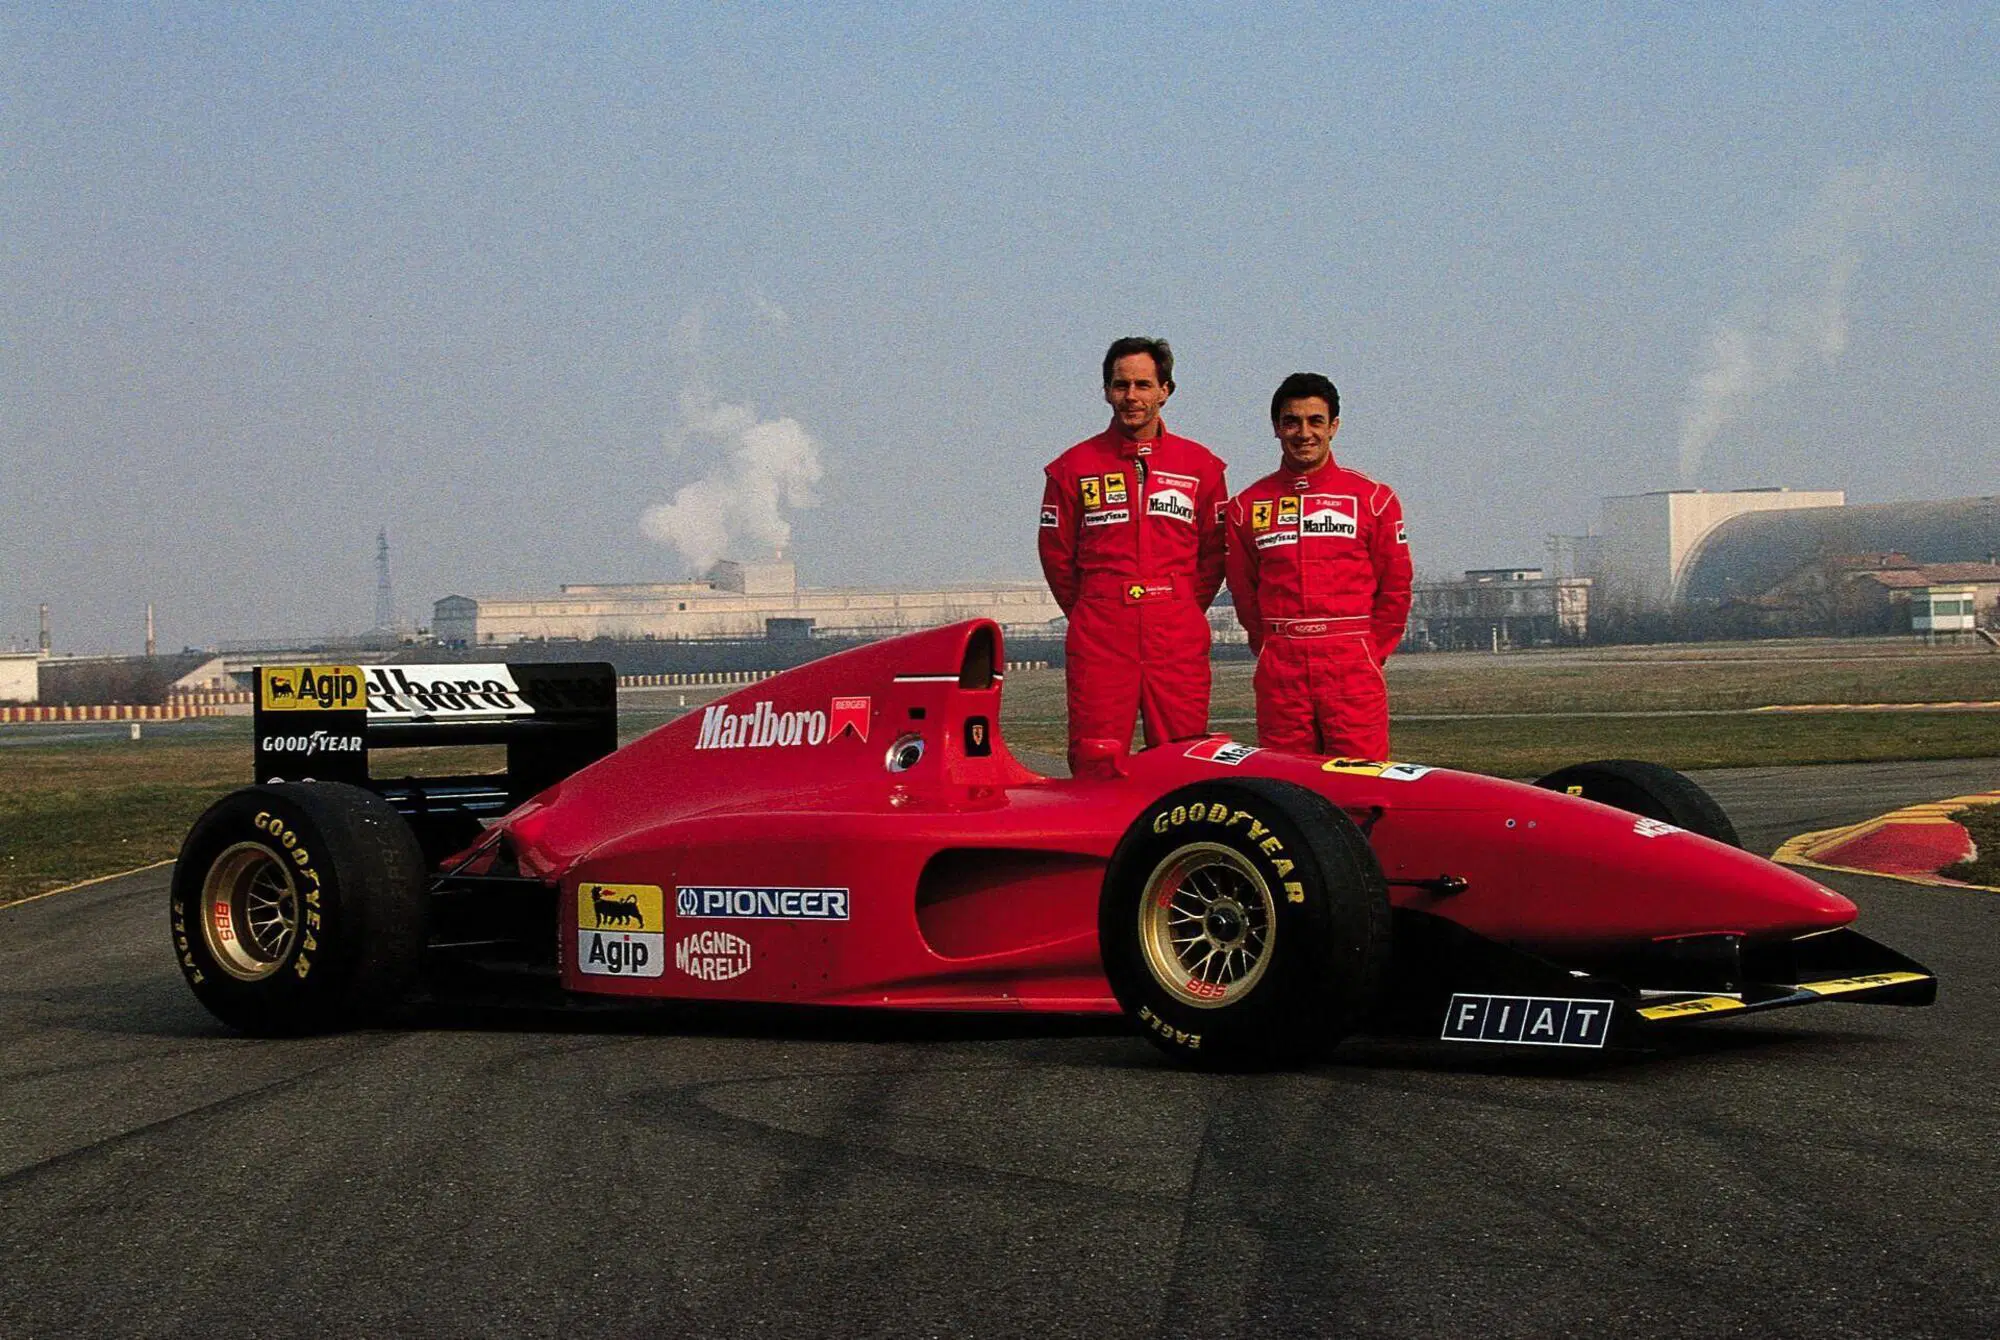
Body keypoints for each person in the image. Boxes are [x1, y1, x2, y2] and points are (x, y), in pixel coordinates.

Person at [1039, 337, 1229, 776]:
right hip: (1101, 632)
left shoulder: (1200, 466)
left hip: (1175, 630)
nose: (1132, 396)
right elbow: (1056, 554)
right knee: (1096, 759)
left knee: (1184, 761)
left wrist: (1181, 604)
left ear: (1165, 390)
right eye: (1121, 385)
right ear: (1106, 391)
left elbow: (1215, 553)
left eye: (1143, 385)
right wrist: (1093, 608)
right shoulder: (1072, 467)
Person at [1225, 372, 1412, 759]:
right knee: (1287, 779)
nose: (1304, 433)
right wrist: (1273, 646)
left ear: (1333, 427)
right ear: (1276, 427)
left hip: (1351, 663)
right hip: (1282, 665)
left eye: (1315, 421)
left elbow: (1395, 589)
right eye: (1292, 422)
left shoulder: (1373, 499)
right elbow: (1244, 592)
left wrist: (1366, 652)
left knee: (1360, 780)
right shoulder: (1246, 506)